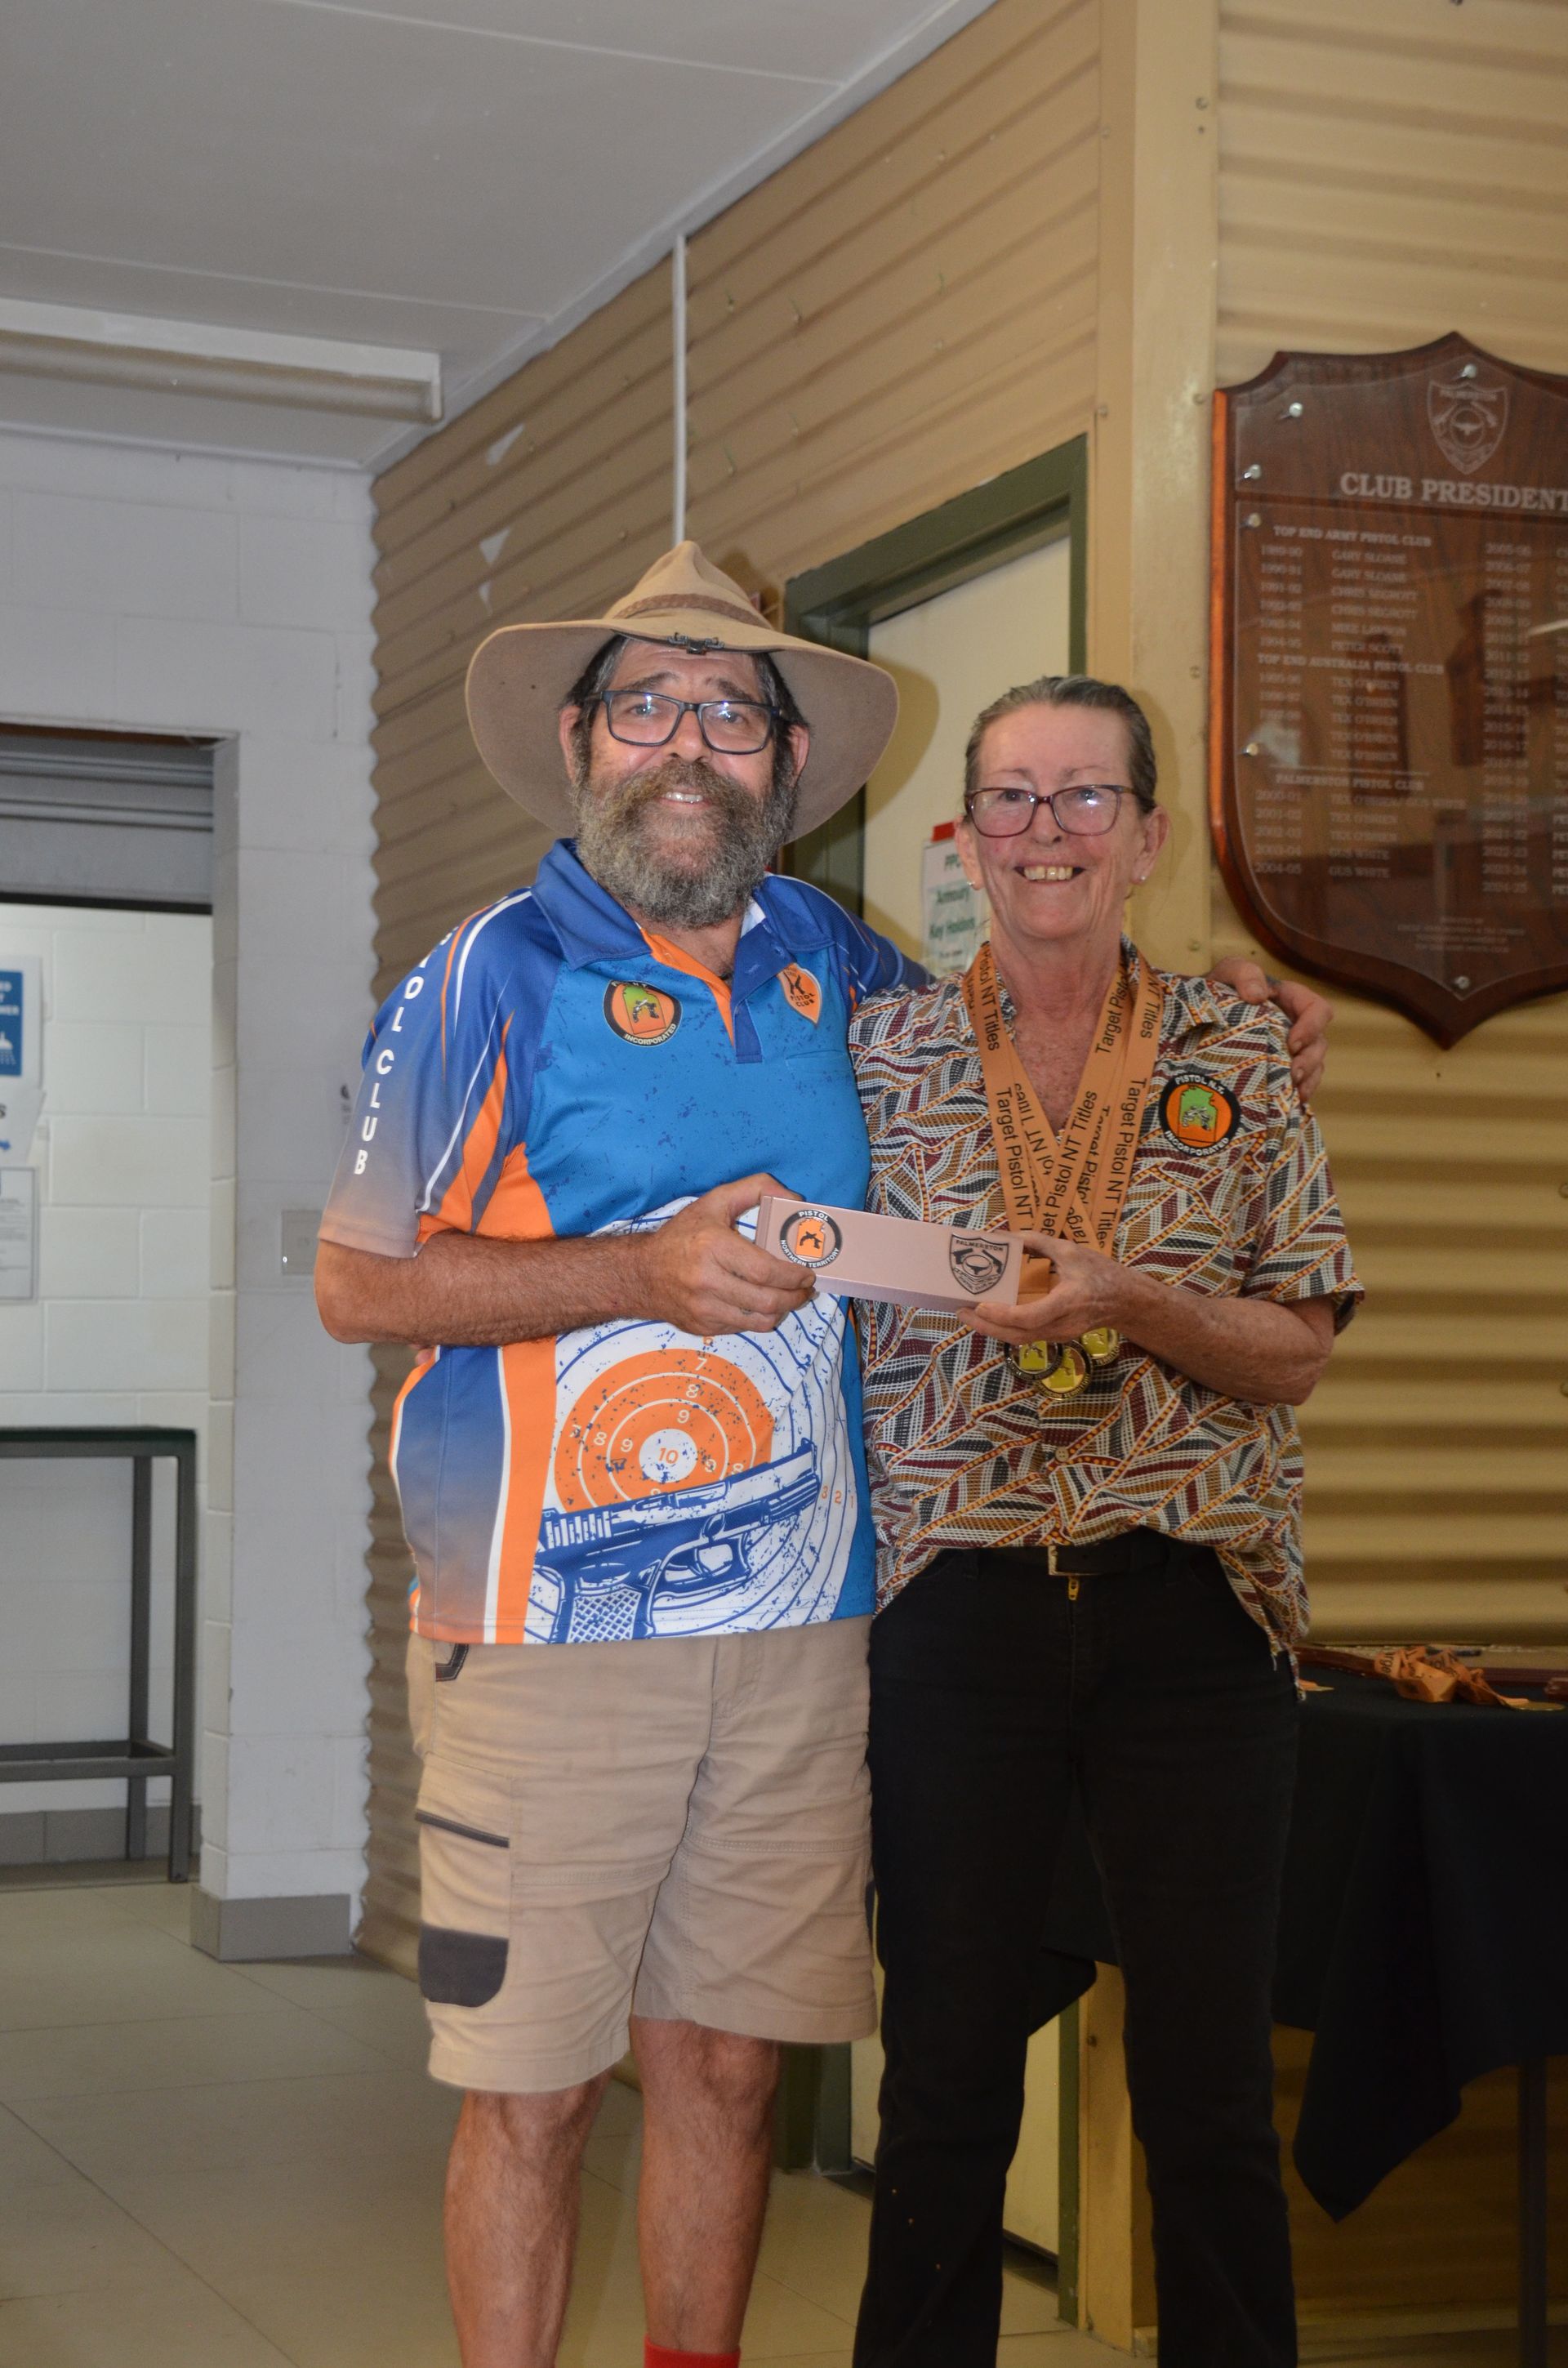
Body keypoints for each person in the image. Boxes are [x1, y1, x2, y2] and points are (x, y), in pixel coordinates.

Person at [314, 542, 1330, 2368]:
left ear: (786, 766)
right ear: (579, 740)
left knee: (722, 2066)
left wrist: (1240, 1002)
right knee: (537, 2093)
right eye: (647, 705)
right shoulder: (479, 974)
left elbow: (1048, 992)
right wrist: (634, 1269)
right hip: (547, 1629)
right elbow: (352, 1282)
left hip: (810, 1639)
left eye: (731, 711)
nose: (687, 745)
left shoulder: (835, 970)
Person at [847, 674, 1361, 2368]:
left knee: (1208, 2093)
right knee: (940, 2091)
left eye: (1083, 799)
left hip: (1192, 1616)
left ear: (1146, 837)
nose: (1045, 831)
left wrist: (1135, 1295)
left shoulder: (1241, 1053)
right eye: (1010, 798)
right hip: (958, 1617)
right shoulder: (882, 1052)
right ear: (966, 838)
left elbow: (1294, 1351)